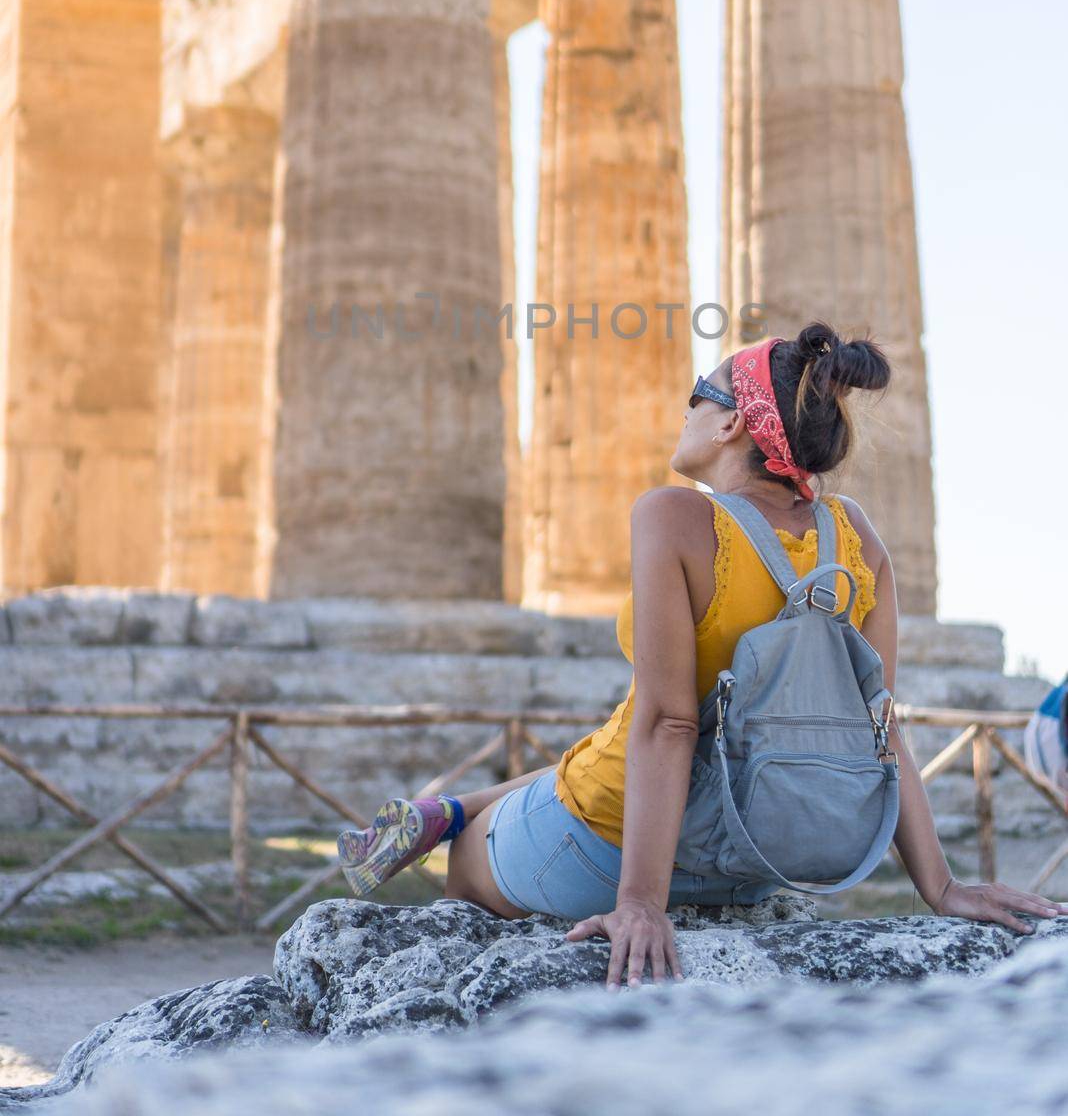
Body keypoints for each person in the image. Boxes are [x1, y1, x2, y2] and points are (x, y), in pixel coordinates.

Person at [338, 322, 1067, 988]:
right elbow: (881, 725)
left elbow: (669, 725)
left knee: (473, 856)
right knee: (602, 748)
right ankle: (450, 806)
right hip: (755, 856)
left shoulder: (674, 516)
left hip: (611, 844)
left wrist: (639, 905)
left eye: (697, 396)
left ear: (730, 422)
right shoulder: (858, 538)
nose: (684, 411)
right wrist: (942, 887)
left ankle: (452, 822)